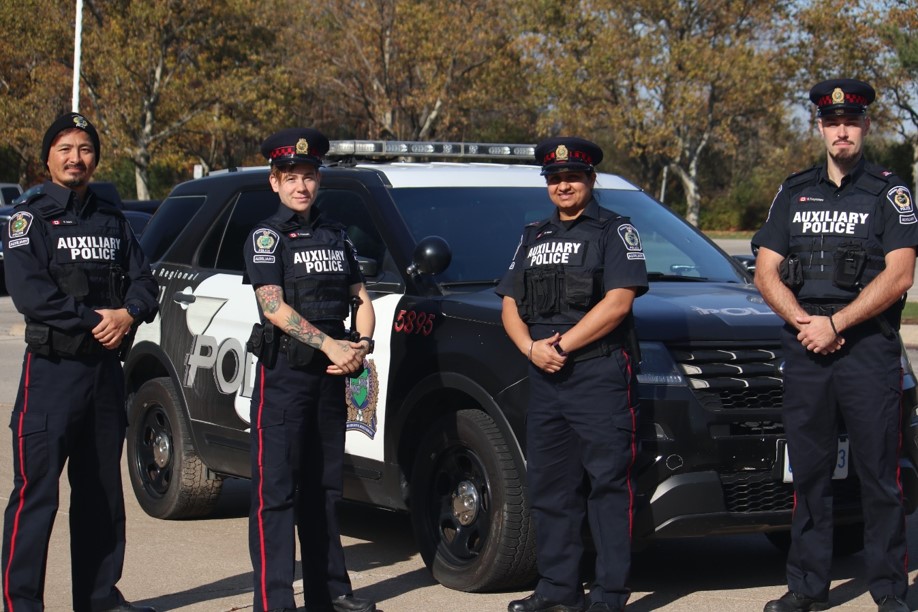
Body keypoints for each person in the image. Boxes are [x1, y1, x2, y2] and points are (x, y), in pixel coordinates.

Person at [753, 79, 916, 612]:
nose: (841, 130)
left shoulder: (891, 193)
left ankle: (890, 589)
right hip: (806, 350)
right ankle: (806, 586)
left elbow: (899, 276)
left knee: (880, 477)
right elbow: (766, 271)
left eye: (850, 121)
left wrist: (837, 323)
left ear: (865, 125)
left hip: (867, 350)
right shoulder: (794, 190)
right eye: (831, 121)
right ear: (819, 127)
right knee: (810, 475)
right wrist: (804, 321)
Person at [1, 113, 159, 612]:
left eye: (85, 148)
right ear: (47, 157)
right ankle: (21, 603)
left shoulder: (112, 218)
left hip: (102, 379)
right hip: (51, 376)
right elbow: (33, 296)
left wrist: (128, 313)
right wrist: (98, 319)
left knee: (101, 497)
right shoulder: (29, 218)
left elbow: (145, 283)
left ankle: (98, 599)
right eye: (65, 147)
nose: (76, 157)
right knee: (36, 498)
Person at [496, 137, 648, 612]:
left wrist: (560, 345)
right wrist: (530, 348)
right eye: (555, 178)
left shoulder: (614, 231)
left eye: (573, 177)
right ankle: (558, 588)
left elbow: (619, 301)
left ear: (590, 179)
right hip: (546, 375)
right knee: (550, 486)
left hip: (598, 372)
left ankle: (608, 594)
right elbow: (509, 303)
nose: (564, 185)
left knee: (607, 486)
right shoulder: (532, 235)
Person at [244, 128, 377, 612]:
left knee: (324, 490)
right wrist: (329, 346)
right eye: (291, 177)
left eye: (309, 176)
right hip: (285, 377)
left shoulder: (337, 236)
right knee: (275, 493)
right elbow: (272, 306)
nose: (301, 185)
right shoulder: (265, 236)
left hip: (330, 379)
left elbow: (359, 297)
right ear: (274, 182)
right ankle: (274, 602)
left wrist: (361, 344)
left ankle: (331, 594)